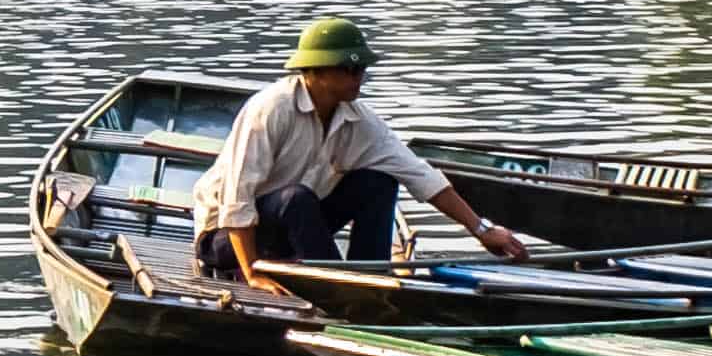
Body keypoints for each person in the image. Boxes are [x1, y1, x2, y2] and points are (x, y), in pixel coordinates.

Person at [193, 18, 535, 294]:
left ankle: (367, 279)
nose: (359, 77)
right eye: (348, 70)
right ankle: (340, 290)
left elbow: (419, 174)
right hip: (225, 239)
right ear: (315, 72)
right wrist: (252, 273)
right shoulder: (270, 110)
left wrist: (481, 229)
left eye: (361, 70)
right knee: (295, 198)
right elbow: (236, 200)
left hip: (295, 225)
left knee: (379, 181)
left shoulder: (358, 118)